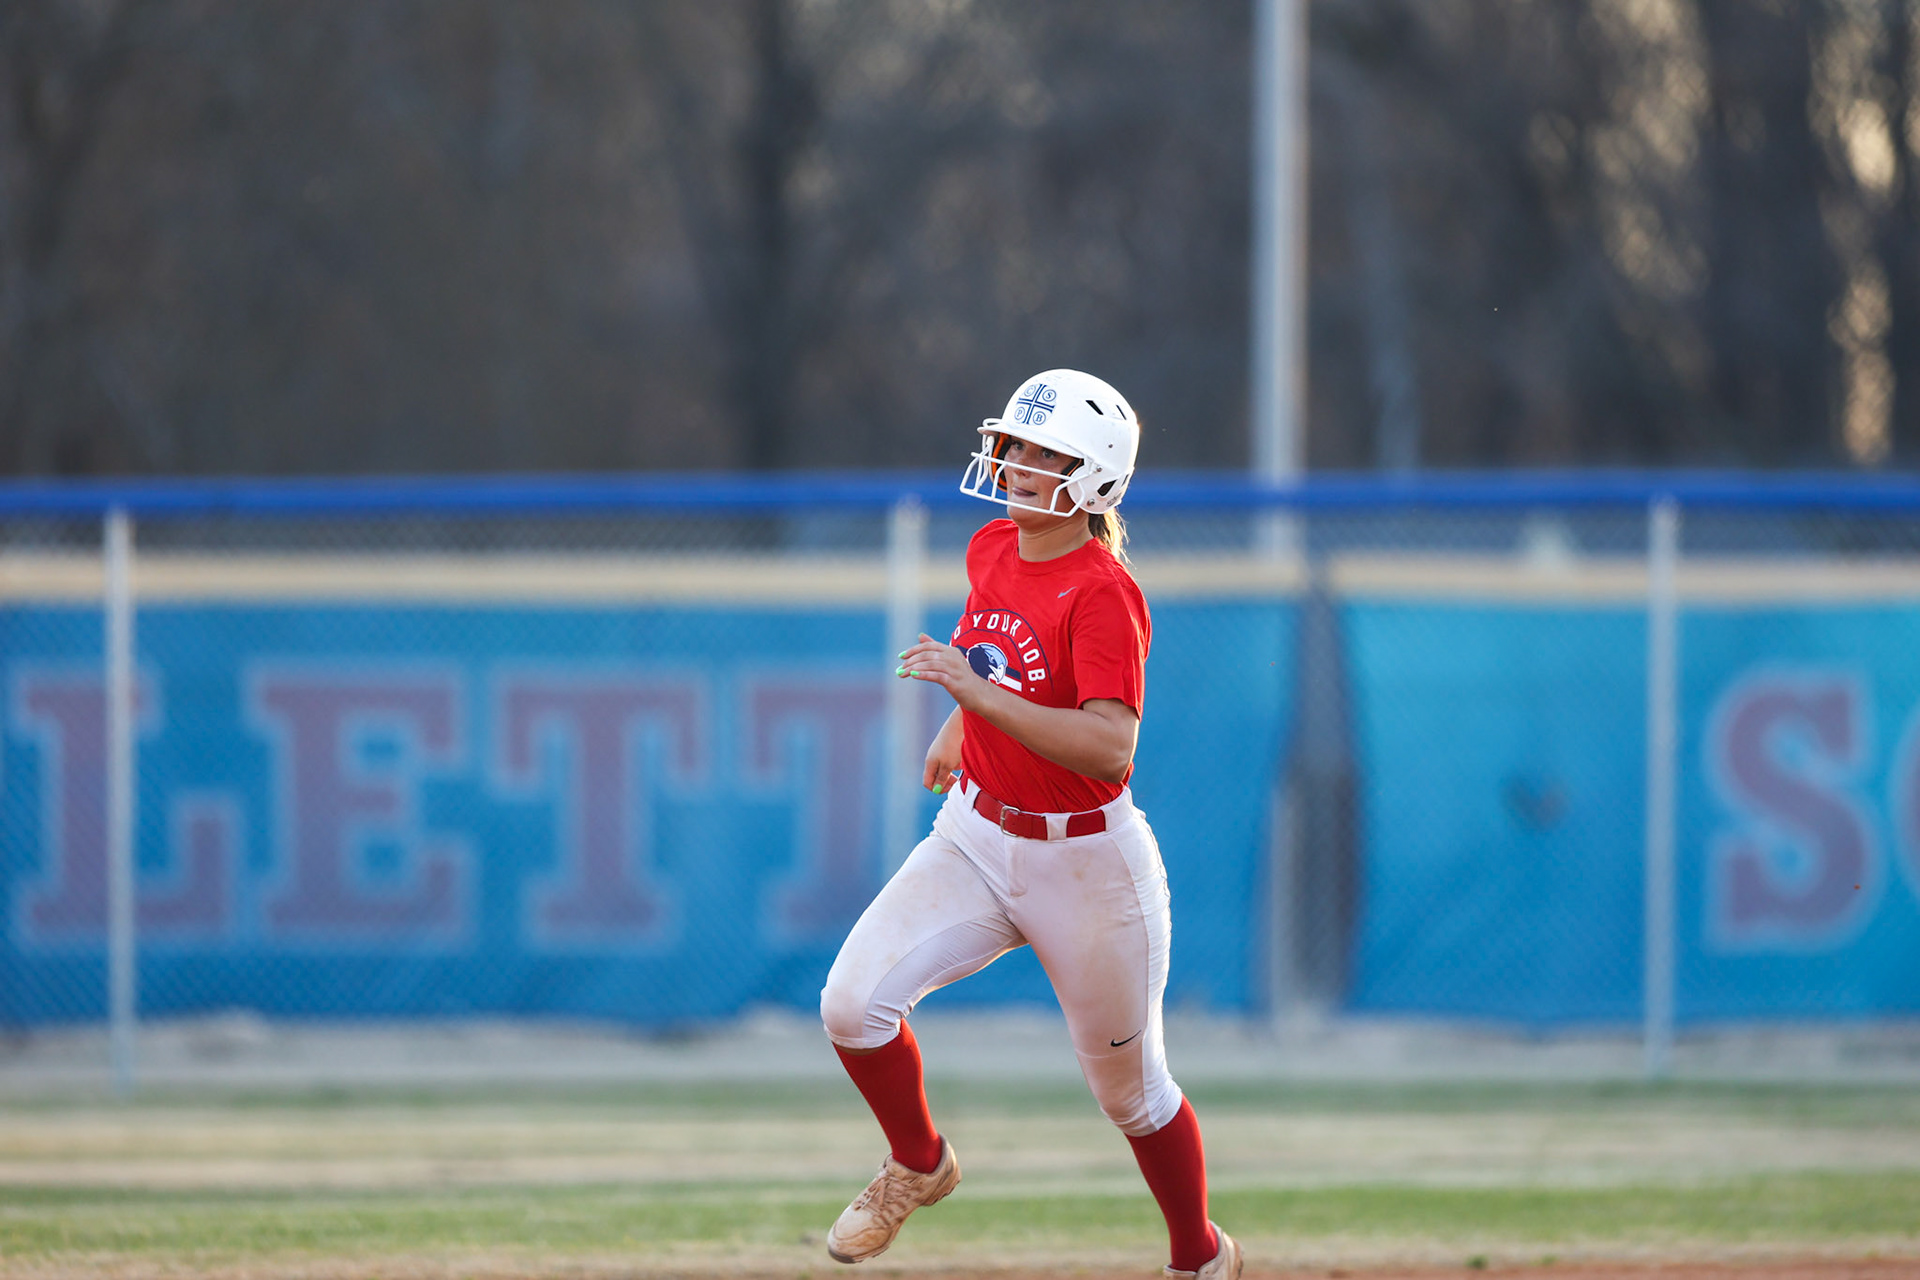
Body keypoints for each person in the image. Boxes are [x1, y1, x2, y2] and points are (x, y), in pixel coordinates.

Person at [817, 369, 1243, 1279]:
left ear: (1094, 479)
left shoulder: (1103, 591)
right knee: (852, 1007)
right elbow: (991, 651)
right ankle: (919, 1164)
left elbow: (1105, 747)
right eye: (1015, 442)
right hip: (976, 833)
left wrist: (973, 696)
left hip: (1086, 863)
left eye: (1046, 452)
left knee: (1131, 1097)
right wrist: (958, 718)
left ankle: (1198, 1257)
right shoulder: (993, 546)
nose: (1015, 462)